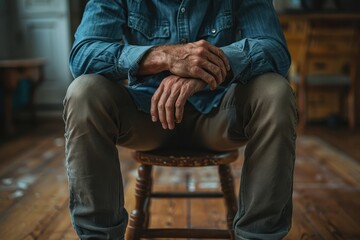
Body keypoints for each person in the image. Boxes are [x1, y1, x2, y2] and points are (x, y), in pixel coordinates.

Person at [63, 0, 297, 239]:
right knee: (83, 92)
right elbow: (83, 55)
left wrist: (204, 70)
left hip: (219, 113)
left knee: (275, 91)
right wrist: (164, 57)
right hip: (147, 115)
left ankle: (257, 236)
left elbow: (275, 50)